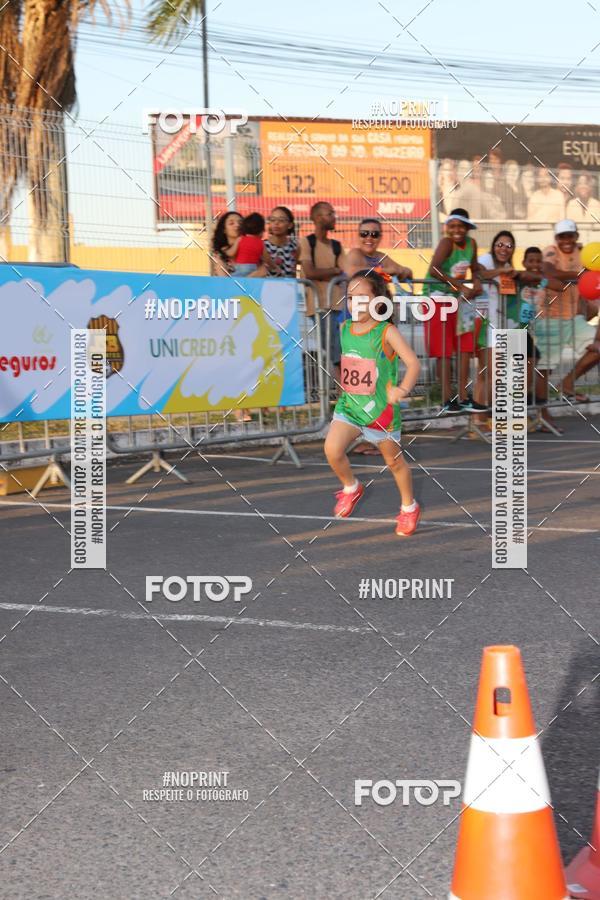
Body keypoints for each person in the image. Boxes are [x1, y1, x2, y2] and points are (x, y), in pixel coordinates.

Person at [324, 269, 421, 536]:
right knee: (332, 450)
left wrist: (402, 388)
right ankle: (351, 487)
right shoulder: (344, 328)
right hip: (350, 407)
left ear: (378, 301)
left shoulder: (386, 332)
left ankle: (408, 507)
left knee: (395, 463)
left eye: (363, 297)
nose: (356, 303)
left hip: (381, 412)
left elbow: (413, 363)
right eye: (351, 297)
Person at [423, 208, 482, 412]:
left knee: (465, 348)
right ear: (448, 228)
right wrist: (459, 285)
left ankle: (465, 396)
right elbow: (434, 269)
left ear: (467, 228)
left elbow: (475, 269)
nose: (457, 230)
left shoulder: (472, 244)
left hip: (458, 298)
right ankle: (448, 398)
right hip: (437, 298)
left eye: (461, 226)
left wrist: (477, 282)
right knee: (444, 352)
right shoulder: (446, 243)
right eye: (453, 226)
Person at [539, 219, 596, 402]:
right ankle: (539, 407)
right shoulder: (551, 250)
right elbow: (549, 272)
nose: (566, 240)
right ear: (556, 238)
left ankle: (568, 384)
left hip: (572, 317)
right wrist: (580, 275)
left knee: (598, 347)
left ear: (576, 236)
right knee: (546, 366)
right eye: (561, 236)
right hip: (549, 316)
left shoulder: (583, 253)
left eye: (569, 235)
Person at [298, 201, 347, 379]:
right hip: (319, 306)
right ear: (318, 218)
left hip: (338, 306)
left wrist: (330, 274)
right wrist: (334, 272)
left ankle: (347, 395)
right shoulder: (306, 242)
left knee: (343, 351)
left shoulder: (336, 246)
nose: (334, 217)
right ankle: (346, 396)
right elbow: (310, 272)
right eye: (330, 214)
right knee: (337, 353)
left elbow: (346, 274)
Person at [344, 218, 413, 280]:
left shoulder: (380, 256)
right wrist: (386, 272)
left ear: (380, 237)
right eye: (364, 234)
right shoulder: (355, 253)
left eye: (374, 234)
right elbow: (351, 272)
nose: (369, 238)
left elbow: (407, 272)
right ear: (358, 236)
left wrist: (395, 274)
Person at [225, 212, 274, 276]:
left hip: (239, 267)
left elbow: (231, 253)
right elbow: (267, 259)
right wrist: (274, 267)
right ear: (261, 231)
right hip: (253, 269)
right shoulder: (261, 243)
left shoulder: (240, 239)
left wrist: (225, 251)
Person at [264, 206, 298, 277]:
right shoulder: (262, 246)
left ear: (290, 225)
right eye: (273, 220)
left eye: (281, 220)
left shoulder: (296, 246)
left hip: (289, 286)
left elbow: (298, 271)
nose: (276, 223)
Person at [212, 211, 243, 276]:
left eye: (240, 222)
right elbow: (223, 280)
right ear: (224, 230)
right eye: (231, 223)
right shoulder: (219, 254)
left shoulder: (250, 247)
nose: (237, 225)